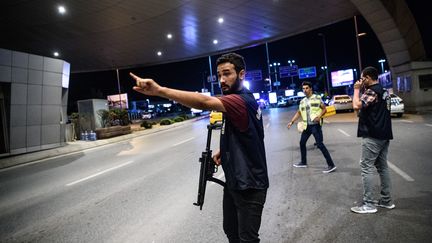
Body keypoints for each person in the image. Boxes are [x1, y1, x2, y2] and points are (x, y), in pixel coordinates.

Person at [130, 52, 269, 242]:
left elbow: (203, 102)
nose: (222, 80)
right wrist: (225, 149)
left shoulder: (240, 101)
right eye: (219, 75)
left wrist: (160, 90)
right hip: (235, 182)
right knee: (231, 231)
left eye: (227, 73)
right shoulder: (240, 99)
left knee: (247, 239)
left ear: (242, 74)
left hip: (250, 186)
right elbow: (250, 133)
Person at [350, 66, 395, 214]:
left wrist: (356, 89)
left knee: (366, 167)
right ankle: (386, 200)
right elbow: (362, 110)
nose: (361, 81)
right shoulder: (384, 91)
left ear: (368, 78)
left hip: (373, 135)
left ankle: (369, 204)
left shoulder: (372, 90)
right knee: (382, 167)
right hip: (384, 134)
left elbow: (356, 105)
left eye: (362, 78)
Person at [287, 81, 336, 173]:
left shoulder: (317, 98)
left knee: (320, 144)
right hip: (307, 126)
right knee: (302, 143)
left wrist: (319, 116)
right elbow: (299, 112)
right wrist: (291, 122)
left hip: (315, 126)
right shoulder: (302, 101)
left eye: (307, 88)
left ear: (310, 89)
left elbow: (324, 109)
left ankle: (331, 165)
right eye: (303, 88)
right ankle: (303, 162)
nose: (305, 90)